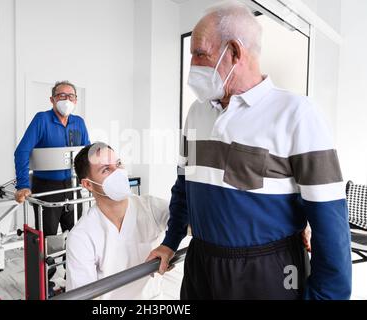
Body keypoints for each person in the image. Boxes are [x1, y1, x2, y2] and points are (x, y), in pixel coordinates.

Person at [147, 1, 351, 300]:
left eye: (199, 54)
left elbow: (329, 222)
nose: (192, 66)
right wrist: (171, 241)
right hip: (201, 264)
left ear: (234, 52)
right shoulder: (197, 112)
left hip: (267, 270)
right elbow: (184, 187)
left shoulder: (296, 114)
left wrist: (326, 296)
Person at [65, 142, 169, 299]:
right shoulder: (81, 236)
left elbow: (189, 221)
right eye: (106, 169)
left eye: (118, 164)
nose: (118, 172)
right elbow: (82, 296)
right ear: (88, 184)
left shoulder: (149, 207)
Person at [14, 80, 90, 236]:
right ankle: (47, 260)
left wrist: (90, 179)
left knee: (76, 235)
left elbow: (86, 154)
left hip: (73, 186)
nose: (66, 100)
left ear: (75, 100)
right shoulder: (42, 120)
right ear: (52, 99)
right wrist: (23, 184)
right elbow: (22, 151)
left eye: (70, 96)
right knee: (47, 237)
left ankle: (70, 261)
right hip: (47, 187)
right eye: (61, 96)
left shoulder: (79, 123)